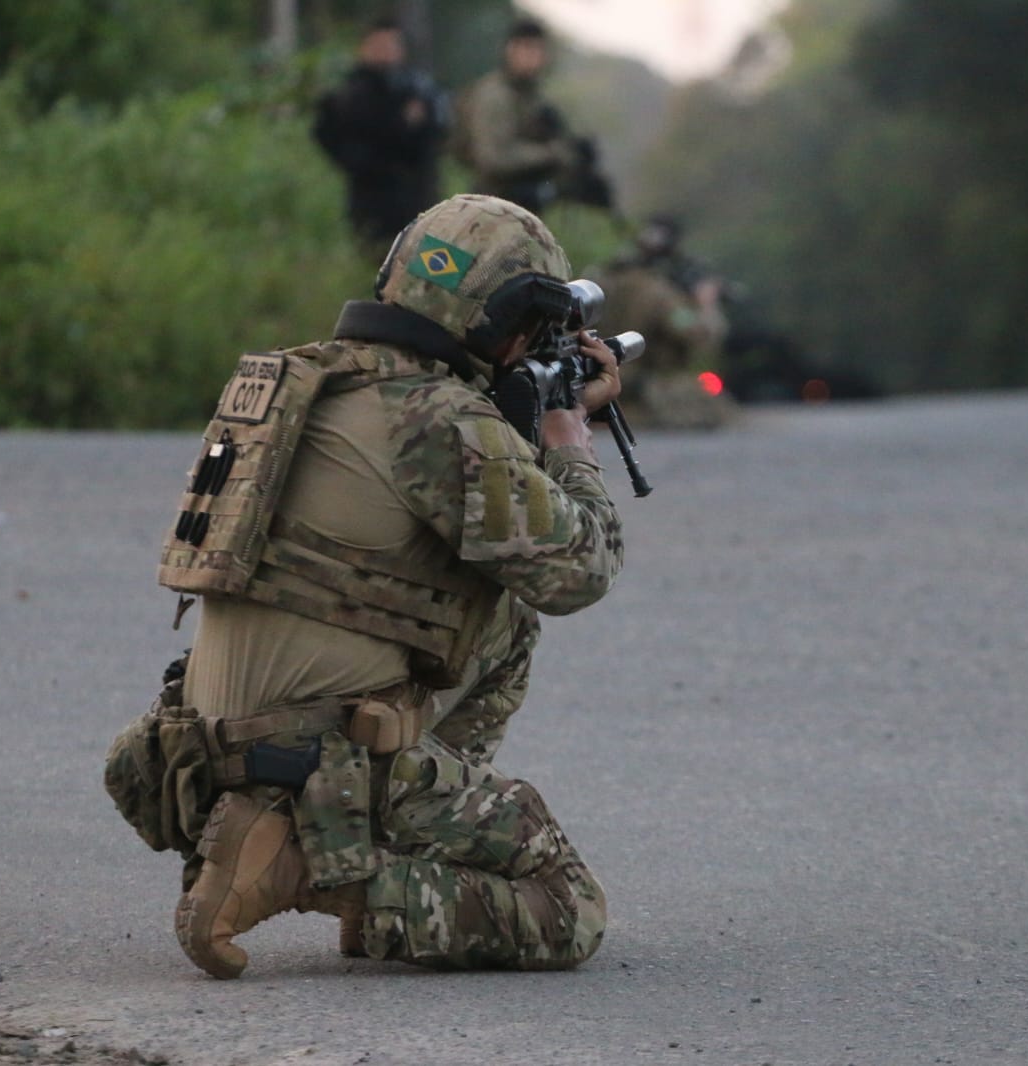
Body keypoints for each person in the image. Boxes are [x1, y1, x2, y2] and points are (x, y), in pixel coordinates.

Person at [105, 195, 624, 979]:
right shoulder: (440, 419)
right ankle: (330, 872)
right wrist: (567, 440)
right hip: (307, 757)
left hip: (196, 754)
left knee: (502, 619)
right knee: (566, 908)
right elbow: (577, 569)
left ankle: (303, 834)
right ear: (509, 325)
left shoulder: (303, 381)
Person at [314, 18, 449, 258]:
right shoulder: (349, 94)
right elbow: (329, 135)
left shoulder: (418, 87)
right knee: (382, 274)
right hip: (373, 202)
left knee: (438, 273)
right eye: (378, 45)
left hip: (420, 200)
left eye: (391, 45)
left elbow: (436, 135)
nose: (385, 52)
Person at [596, 215, 736, 429]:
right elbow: (698, 336)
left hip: (601, 383)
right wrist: (707, 305)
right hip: (645, 392)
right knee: (717, 408)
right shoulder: (659, 293)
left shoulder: (603, 281)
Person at [452, 18, 585, 215]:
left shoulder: (532, 97)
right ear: (511, 50)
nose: (534, 57)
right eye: (527, 49)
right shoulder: (495, 95)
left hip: (519, 206)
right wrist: (551, 153)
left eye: (539, 50)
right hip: (491, 206)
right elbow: (494, 158)